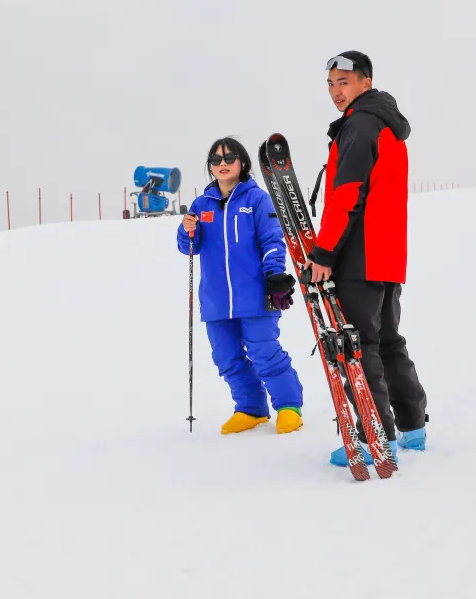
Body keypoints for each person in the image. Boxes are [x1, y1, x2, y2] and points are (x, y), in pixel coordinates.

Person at [304, 51, 428, 467]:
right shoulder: (386, 123)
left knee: (360, 348)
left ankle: (376, 438)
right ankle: (413, 426)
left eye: (344, 82)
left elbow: (348, 193)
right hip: (388, 256)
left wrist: (325, 252)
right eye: (331, 84)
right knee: (388, 340)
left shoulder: (359, 125)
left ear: (365, 82)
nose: (336, 92)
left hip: (360, 255)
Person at [177, 138, 303, 435]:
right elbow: (189, 248)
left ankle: (289, 406)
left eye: (229, 158)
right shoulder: (201, 205)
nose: (222, 164)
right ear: (210, 167)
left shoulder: (257, 199)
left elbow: (272, 239)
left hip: (254, 295)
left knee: (264, 351)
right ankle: (251, 408)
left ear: (242, 162)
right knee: (226, 357)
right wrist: (186, 230)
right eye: (216, 160)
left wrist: (275, 276)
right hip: (216, 299)